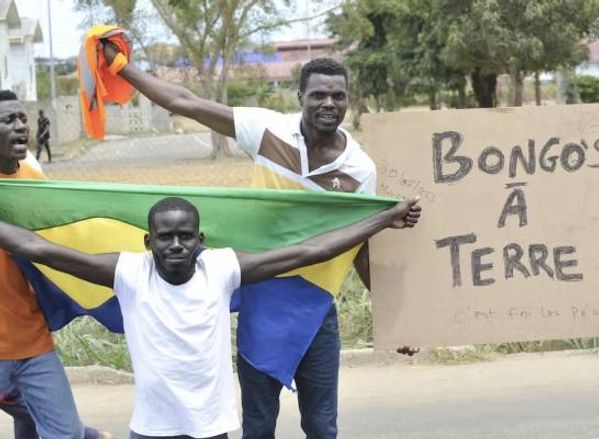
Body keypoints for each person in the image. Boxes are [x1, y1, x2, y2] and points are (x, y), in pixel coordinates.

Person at [100, 42, 415, 438]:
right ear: (300, 97)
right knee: (259, 426)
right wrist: (122, 67)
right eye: (318, 94)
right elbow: (184, 102)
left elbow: (359, 249)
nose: (329, 103)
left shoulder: (359, 170)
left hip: (316, 309)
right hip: (261, 297)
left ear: (349, 100)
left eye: (338, 95)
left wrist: (398, 323)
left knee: (321, 426)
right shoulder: (268, 130)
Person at [0, 194, 420, 438]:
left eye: (186, 236)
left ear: (200, 239)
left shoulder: (221, 268)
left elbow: (308, 251)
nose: (177, 245)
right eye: (166, 237)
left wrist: (384, 219)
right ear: (149, 241)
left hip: (211, 426)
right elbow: (40, 248)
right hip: (152, 428)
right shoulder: (130, 273)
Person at [0, 90, 109, 439]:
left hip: (31, 340)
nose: (20, 127)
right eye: (7, 121)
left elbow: (66, 236)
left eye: (22, 118)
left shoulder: (34, 180)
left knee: (65, 433)